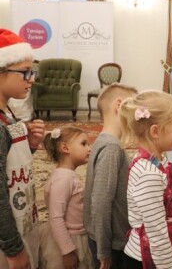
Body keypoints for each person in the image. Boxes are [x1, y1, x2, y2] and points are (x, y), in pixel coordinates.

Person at [119, 90, 172, 269]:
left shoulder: (158, 160)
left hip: (162, 250)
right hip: (146, 259)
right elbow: (156, 234)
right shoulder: (148, 175)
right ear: (155, 131)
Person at [0, 28, 45, 269]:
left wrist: (31, 146)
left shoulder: (9, 112)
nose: (32, 79)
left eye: (33, 71)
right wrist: (14, 249)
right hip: (7, 242)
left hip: (22, 223)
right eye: (25, 72)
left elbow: (10, 164)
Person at [83, 83, 138, 269]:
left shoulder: (105, 141)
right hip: (112, 244)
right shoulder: (112, 148)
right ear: (119, 105)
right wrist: (104, 250)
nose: (137, 116)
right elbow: (100, 202)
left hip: (108, 240)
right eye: (135, 108)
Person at [41, 126, 93, 269]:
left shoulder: (67, 175)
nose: (89, 148)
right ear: (65, 148)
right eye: (84, 144)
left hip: (76, 235)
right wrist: (68, 251)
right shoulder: (63, 179)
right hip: (70, 240)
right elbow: (56, 217)